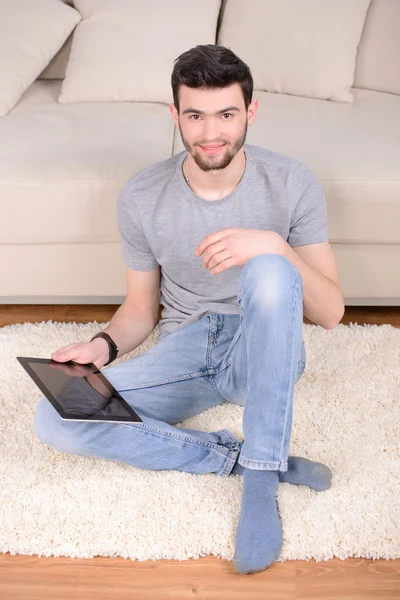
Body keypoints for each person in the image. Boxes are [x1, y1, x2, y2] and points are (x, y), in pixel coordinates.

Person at [34, 44, 344, 575]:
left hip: (261, 347)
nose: (210, 133)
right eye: (195, 116)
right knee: (57, 416)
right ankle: (235, 459)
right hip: (187, 349)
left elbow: (333, 312)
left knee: (269, 269)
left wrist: (274, 245)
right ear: (175, 115)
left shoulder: (291, 182)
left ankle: (262, 477)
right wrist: (102, 345)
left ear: (251, 111)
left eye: (226, 114)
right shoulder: (142, 194)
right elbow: (139, 306)